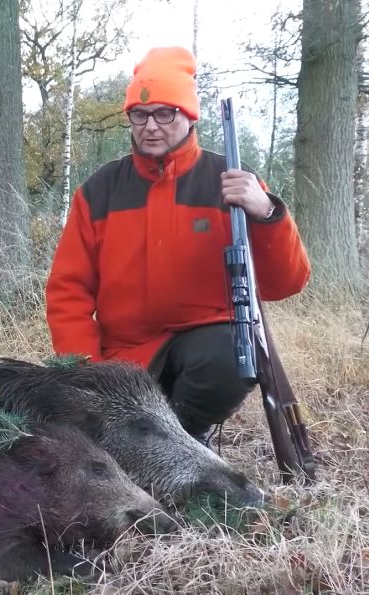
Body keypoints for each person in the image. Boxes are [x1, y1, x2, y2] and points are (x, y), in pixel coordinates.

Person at [44, 46, 311, 443]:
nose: (151, 126)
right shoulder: (98, 192)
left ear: (189, 116)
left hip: (205, 353)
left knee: (232, 351)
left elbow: (285, 283)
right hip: (123, 360)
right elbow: (68, 290)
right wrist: (88, 372)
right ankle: (143, 440)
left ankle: (186, 438)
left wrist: (266, 213)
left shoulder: (232, 180)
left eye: (165, 113)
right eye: (140, 114)